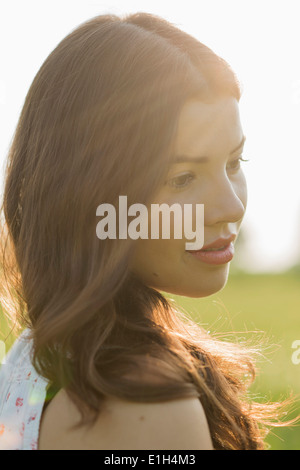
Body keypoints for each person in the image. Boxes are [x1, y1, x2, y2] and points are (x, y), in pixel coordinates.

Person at [0, 12, 288, 450]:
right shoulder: (146, 405)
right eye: (182, 178)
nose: (230, 207)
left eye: (234, 163)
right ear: (91, 196)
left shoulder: (41, 353)